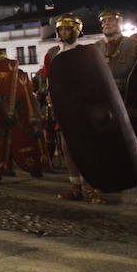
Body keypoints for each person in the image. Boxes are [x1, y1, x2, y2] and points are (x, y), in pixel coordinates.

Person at [39, 14, 105, 204]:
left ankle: (94, 186)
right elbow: (47, 78)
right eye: (61, 29)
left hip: (84, 106)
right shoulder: (52, 53)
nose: (64, 32)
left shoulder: (87, 52)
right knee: (67, 147)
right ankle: (76, 186)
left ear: (77, 30)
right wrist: (49, 95)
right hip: (63, 106)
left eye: (68, 29)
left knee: (89, 147)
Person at [97, 8, 137, 197]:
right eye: (104, 22)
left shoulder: (136, 46)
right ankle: (114, 177)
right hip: (105, 101)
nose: (107, 24)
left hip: (131, 97)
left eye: (111, 21)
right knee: (109, 142)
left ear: (119, 24)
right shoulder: (95, 48)